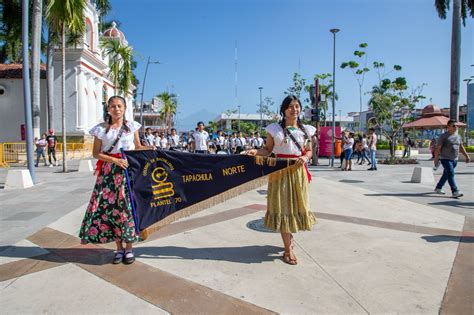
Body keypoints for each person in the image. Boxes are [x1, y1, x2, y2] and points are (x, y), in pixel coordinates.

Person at [79, 96, 154, 265]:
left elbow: (138, 146)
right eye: (113, 106)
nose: (116, 109)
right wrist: (114, 160)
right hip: (109, 174)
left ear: (125, 107)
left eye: (119, 106)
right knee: (110, 209)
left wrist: (151, 149)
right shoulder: (100, 129)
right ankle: (118, 248)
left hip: (128, 172)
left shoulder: (132, 127)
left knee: (127, 208)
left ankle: (129, 248)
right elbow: (96, 153)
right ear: (108, 109)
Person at [247, 95, 316, 265]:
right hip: (280, 172)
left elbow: (309, 151)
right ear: (284, 110)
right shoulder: (274, 129)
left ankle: (289, 239)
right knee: (283, 207)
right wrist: (255, 152)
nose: (295, 110)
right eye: (291, 107)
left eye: (297, 106)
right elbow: (268, 150)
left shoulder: (307, 130)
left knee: (297, 207)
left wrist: (306, 158)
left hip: (298, 172)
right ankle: (288, 249)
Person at [434, 120, 470, 198]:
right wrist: (436, 158)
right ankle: (455, 191)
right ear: (448, 126)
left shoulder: (458, 136)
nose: (455, 127)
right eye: (453, 125)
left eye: (456, 126)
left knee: (446, 174)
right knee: (450, 173)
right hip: (445, 158)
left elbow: (461, 147)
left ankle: (438, 187)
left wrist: (466, 156)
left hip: (454, 159)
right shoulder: (443, 136)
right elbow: (438, 148)